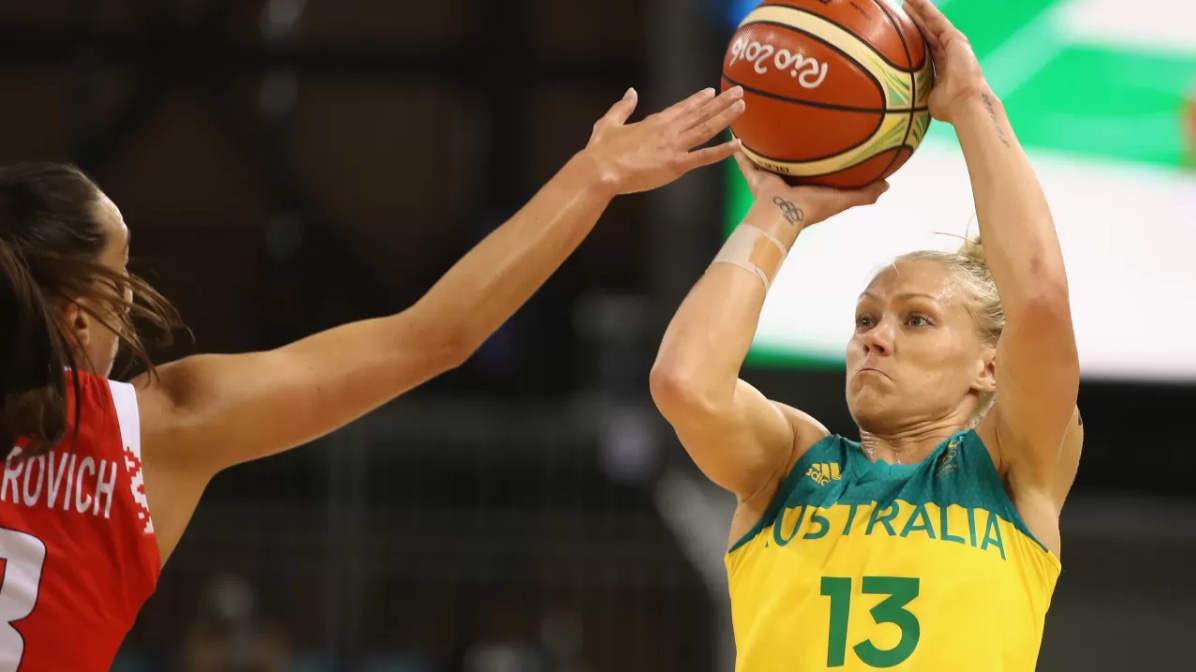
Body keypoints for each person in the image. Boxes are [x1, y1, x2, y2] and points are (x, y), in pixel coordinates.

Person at [0, 84, 746, 671]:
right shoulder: (162, 429)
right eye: (120, 271)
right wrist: (597, 173)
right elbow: (432, 337)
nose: (131, 291)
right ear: (77, 320)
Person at [649, 1, 1081, 670]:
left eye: (916, 319)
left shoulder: (1012, 470)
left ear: (989, 367)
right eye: (865, 319)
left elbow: (1041, 303)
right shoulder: (790, 465)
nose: (875, 338)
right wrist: (779, 213)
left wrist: (969, 101)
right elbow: (685, 382)